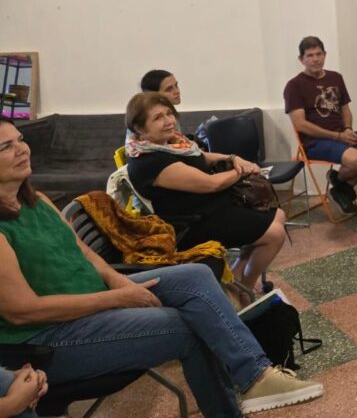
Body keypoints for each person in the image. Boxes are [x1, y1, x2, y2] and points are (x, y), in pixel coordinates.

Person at [0, 116, 324, 417]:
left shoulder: (37, 201)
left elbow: (82, 252)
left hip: (92, 302)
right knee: (189, 326)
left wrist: (118, 282)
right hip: (49, 338)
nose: (22, 149)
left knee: (196, 275)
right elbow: (23, 311)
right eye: (6, 147)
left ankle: (256, 376)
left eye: (21, 140)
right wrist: (117, 298)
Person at [124, 92, 287, 294]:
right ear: (140, 128)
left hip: (210, 207)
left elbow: (202, 157)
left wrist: (233, 158)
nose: (169, 121)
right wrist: (242, 170)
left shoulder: (171, 144)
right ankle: (245, 288)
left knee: (279, 215)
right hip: (191, 224)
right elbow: (211, 184)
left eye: (169, 113)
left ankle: (236, 277)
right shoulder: (149, 162)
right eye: (158, 118)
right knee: (275, 234)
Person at [284, 36, 357, 216]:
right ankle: (341, 184)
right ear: (301, 59)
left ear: (325, 55)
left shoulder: (335, 78)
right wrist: (338, 137)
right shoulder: (294, 86)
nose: (315, 59)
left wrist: (348, 130)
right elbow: (300, 124)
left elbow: (345, 110)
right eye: (310, 55)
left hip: (342, 134)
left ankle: (342, 186)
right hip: (314, 142)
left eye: (319, 54)